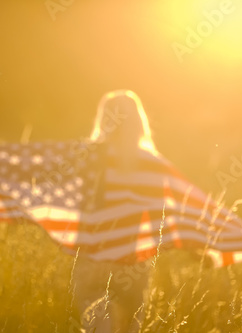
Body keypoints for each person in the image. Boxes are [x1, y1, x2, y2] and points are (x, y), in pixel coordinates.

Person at [72, 89, 156, 333]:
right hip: (134, 259)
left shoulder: (88, 157)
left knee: (99, 326)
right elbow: (160, 215)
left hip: (93, 257)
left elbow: (76, 205)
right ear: (139, 123)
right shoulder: (149, 162)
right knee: (130, 327)